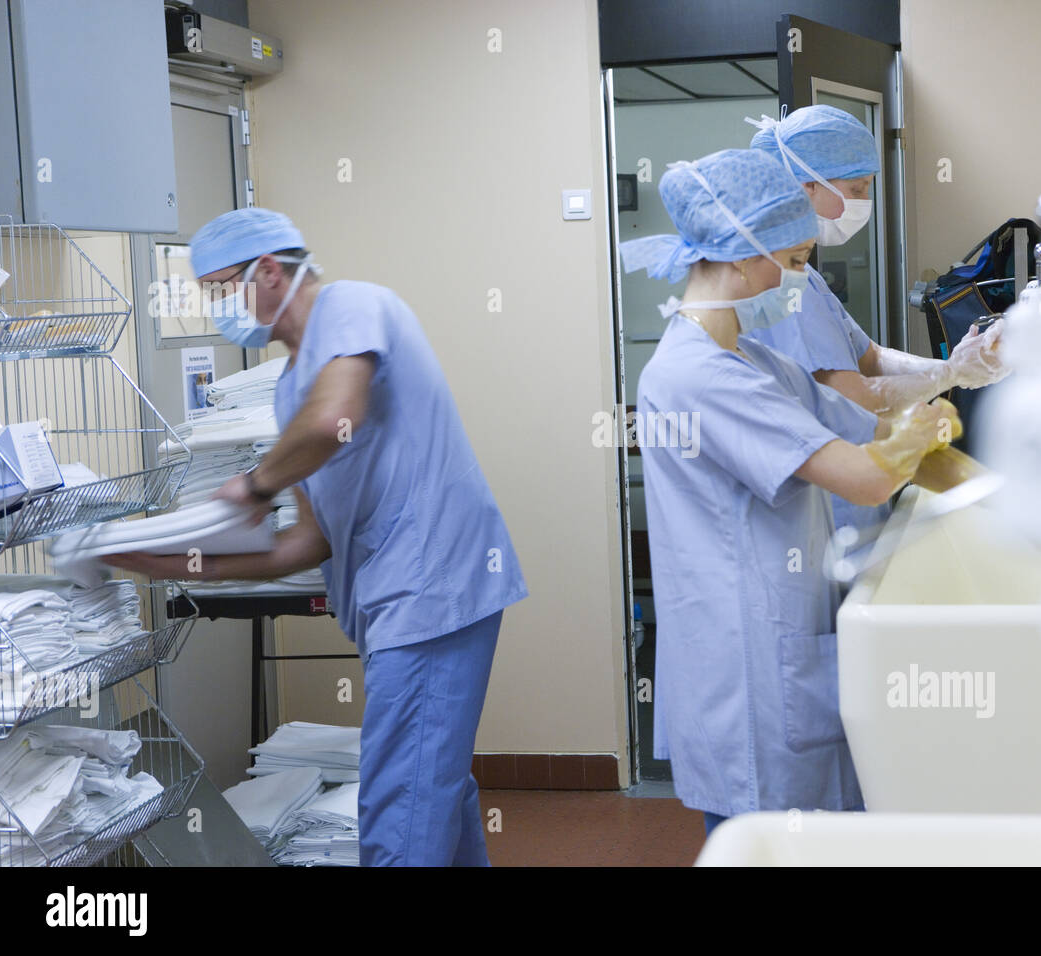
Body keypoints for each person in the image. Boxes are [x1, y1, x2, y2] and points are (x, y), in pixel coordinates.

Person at [103, 208, 527, 866]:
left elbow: (335, 420)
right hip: (398, 605)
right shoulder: (287, 394)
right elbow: (308, 542)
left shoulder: (354, 306)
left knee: (400, 806)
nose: (219, 309)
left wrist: (253, 485)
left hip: (433, 592)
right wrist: (157, 560)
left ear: (268, 270)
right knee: (434, 790)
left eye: (220, 290)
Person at [620, 149, 960, 833]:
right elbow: (865, 476)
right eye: (797, 259)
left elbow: (865, 425)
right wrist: (914, 436)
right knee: (767, 840)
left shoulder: (750, 359)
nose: (801, 279)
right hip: (749, 663)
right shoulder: (697, 377)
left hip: (784, 640)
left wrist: (930, 408)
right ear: (741, 256)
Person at [745, 105, 1008, 538]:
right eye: (857, 188)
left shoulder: (804, 275)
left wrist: (962, 364)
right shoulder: (780, 281)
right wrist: (948, 375)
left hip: (846, 502)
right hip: (816, 515)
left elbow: (871, 357)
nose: (864, 202)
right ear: (808, 186)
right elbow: (854, 402)